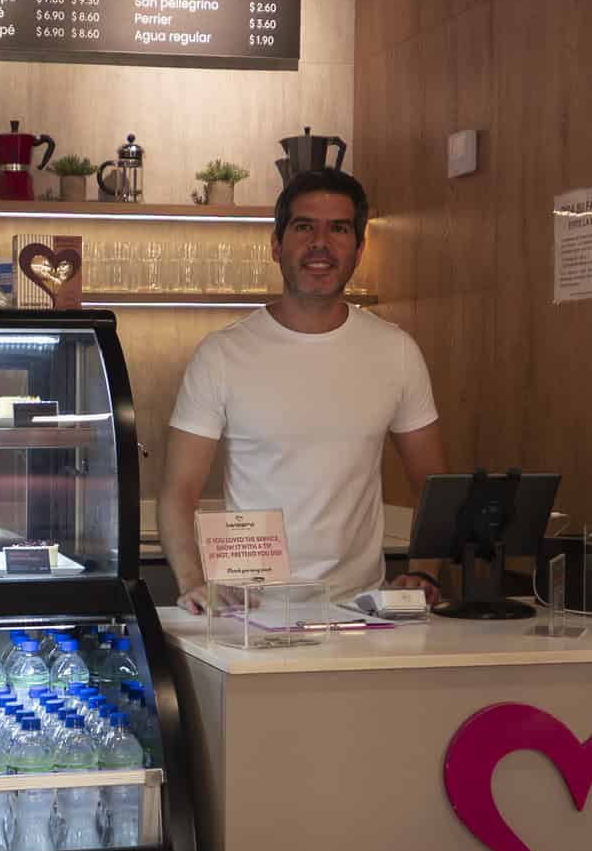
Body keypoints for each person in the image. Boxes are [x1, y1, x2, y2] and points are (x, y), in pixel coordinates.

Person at [159, 167, 446, 613]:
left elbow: (434, 486)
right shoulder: (222, 354)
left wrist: (424, 570)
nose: (321, 243)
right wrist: (194, 582)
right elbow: (179, 491)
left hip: (359, 611)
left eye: (339, 229)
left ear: (359, 249)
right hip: (247, 612)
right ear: (276, 246)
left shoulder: (396, 351)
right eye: (304, 227)